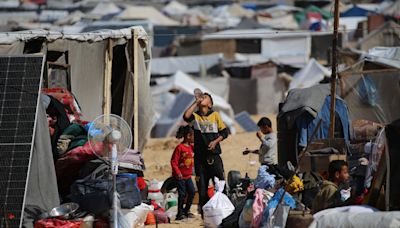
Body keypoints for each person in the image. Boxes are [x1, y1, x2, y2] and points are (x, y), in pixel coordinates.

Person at [183, 92, 228, 216]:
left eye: (206, 97)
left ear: (210, 104)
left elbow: (224, 133)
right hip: (200, 159)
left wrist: (215, 142)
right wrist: (195, 102)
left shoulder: (215, 115)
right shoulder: (196, 116)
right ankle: (205, 216)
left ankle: (224, 212)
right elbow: (186, 117)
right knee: (202, 191)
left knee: (221, 187)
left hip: (214, 157)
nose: (203, 98)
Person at [170, 125, 195, 220]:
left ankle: (186, 210)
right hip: (180, 176)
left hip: (188, 176)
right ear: (188, 136)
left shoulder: (191, 147)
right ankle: (179, 213)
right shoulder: (179, 148)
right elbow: (173, 162)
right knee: (182, 194)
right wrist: (178, 172)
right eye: (193, 136)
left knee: (192, 192)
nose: (194, 138)